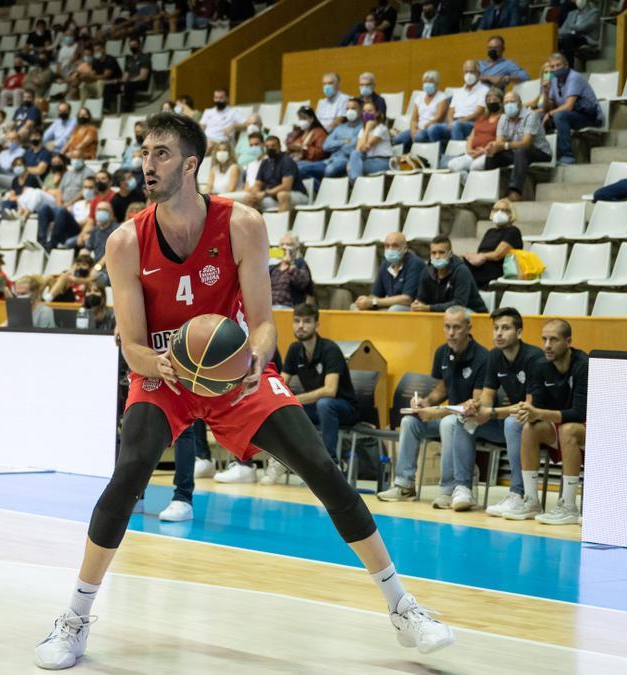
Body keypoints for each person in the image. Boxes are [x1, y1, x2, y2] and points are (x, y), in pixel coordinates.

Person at [33, 112, 453, 671]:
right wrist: (162, 364)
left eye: (160, 153)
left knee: (320, 466)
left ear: (190, 163)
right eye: (143, 152)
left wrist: (255, 357)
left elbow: (263, 323)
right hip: (165, 374)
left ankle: (403, 607)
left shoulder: (243, 224)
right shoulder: (125, 241)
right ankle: (76, 617)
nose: (146, 163)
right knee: (131, 467)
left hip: (233, 373)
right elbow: (129, 344)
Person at [378, 306, 488, 505]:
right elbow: (442, 389)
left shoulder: (482, 357)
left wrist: (436, 412)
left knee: (447, 422)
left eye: (457, 327)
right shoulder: (442, 352)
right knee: (410, 422)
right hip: (448, 416)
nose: (451, 333)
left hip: (472, 422)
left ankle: (448, 490)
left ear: (469, 327)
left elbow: (476, 403)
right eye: (447, 327)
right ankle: (404, 485)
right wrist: (425, 402)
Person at [459, 307, 544, 518]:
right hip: (510, 420)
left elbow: (528, 407)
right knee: (463, 422)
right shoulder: (495, 355)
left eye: (505, 328)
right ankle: (462, 488)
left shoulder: (534, 357)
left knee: (512, 423)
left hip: (536, 422)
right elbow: (488, 394)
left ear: (519, 332)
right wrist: (478, 407)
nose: (498, 333)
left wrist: (492, 412)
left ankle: (518, 493)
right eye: (495, 328)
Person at [505, 319, 588, 525]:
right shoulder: (540, 365)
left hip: (588, 428)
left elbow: (578, 413)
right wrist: (529, 413)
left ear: (568, 342)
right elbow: (538, 407)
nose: (547, 345)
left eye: (554, 340)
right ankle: (531, 501)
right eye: (544, 339)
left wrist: (538, 412)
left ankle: (569, 505)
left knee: (568, 429)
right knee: (529, 428)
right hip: (558, 425)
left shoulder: (583, 365)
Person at [282, 303, 358, 464]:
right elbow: (280, 384)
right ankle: (288, 460)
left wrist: (296, 399)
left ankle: (329, 462)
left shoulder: (330, 350)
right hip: (316, 407)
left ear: (316, 325)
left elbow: (330, 390)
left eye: (307, 321)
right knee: (284, 409)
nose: (301, 326)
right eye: (297, 321)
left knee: (325, 404)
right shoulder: (295, 349)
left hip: (344, 408)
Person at [483, 90, 551, 201]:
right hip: (518, 154)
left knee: (521, 150)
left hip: (540, 152)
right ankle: (488, 191)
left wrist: (502, 146)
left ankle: (515, 192)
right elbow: (499, 143)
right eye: (506, 103)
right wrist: (493, 147)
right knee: (492, 155)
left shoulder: (530, 115)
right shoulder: (503, 118)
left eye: (512, 101)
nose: (509, 105)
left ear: (519, 103)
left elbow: (526, 143)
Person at [541, 53, 603, 166]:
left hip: (589, 116)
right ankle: (544, 154)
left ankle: (567, 156)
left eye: (558, 65)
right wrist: (545, 93)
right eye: (552, 66)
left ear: (566, 65)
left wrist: (550, 114)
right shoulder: (554, 80)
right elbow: (547, 108)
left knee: (559, 116)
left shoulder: (574, 77)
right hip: (571, 116)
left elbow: (568, 106)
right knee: (538, 117)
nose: (555, 69)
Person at [413, 235, 488, 313]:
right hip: (443, 316)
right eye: (433, 253)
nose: (437, 256)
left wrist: (430, 308)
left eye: (441, 252)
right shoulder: (427, 271)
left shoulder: (461, 271)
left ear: (450, 254)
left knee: (455, 314)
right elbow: (421, 298)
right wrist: (418, 304)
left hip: (474, 316)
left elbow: (459, 304)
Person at [355, 232, 424, 312]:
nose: (390, 249)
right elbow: (376, 295)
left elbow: (407, 299)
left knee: (395, 309)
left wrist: (372, 302)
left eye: (395, 246)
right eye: (387, 246)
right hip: (390, 306)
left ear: (405, 248)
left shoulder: (415, 264)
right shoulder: (385, 265)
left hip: (413, 308)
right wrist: (365, 300)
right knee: (356, 308)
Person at [303, 98, 364, 186]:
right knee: (299, 168)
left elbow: (350, 148)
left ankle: (322, 190)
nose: (349, 111)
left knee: (330, 170)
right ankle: (318, 189)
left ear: (361, 110)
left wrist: (336, 145)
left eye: (353, 108)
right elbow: (326, 146)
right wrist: (343, 142)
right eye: (347, 109)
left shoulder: (363, 128)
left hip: (344, 161)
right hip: (329, 160)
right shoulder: (340, 127)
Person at [445, 87, 503, 177]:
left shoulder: (503, 119)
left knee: (475, 166)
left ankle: (473, 184)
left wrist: (484, 151)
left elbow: (500, 141)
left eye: (494, 100)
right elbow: (471, 137)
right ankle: (468, 183)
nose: (491, 102)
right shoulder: (481, 118)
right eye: (489, 100)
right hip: (473, 153)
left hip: (489, 154)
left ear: (501, 102)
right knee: (452, 165)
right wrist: (469, 150)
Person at [465, 198, 522, 289]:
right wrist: (469, 256)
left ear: (511, 214)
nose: (499, 213)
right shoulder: (490, 231)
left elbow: (497, 255)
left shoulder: (513, 231)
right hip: (482, 265)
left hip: (497, 269)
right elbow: (480, 252)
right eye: (495, 210)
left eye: (503, 210)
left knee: (462, 270)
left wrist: (481, 256)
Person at [242, 136, 308, 212]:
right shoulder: (265, 163)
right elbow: (257, 184)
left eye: (273, 146)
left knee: (282, 195)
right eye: (267, 146)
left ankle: (281, 223)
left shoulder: (286, 161)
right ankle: (256, 224)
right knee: (248, 199)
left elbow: (286, 187)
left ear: (279, 147)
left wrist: (264, 194)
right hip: (273, 196)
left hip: (296, 194)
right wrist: (254, 195)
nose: (270, 148)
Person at [431, 61, 489, 144]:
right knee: (433, 129)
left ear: (478, 74)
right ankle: (440, 154)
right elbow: (451, 111)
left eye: (472, 72)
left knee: (456, 126)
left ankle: (457, 154)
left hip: (472, 123)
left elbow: (479, 112)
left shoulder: (484, 90)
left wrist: (461, 120)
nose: (468, 74)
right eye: (466, 72)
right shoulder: (458, 92)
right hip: (455, 122)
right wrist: (450, 122)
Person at [394, 71, 447, 153]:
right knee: (398, 139)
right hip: (418, 128)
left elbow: (439, 118)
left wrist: (424, 127)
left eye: (430, 82)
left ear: (436, 84)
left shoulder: (442, 97)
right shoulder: (419, 98)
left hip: (431, 129)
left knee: (419, 137)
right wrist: (413, 130)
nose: (427, 84)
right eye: (425, 82)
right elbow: (414, 119)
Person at [348, 101, 393, 183]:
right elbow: (358, 150)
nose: (366, 113)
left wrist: (368, 128)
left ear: (376, 113)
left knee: (353, 168)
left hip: (383, 161)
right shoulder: (362, 130)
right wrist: (366, 130)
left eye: (370, 111)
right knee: (354, 156)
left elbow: (365, 148)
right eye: (364, 111)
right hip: (369, 160)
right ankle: (357, 183)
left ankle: (356, 185)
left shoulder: (381, 128)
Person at [270, 233, 313, 309]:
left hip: (289, 308)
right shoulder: (273, 267)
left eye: (288, 244)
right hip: (269, 307)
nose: (284, 247)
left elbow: (304, 284)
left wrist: (290, 264)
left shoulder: (299, 263)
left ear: (296, 248)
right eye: (282, 244)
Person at [557, 0, 601, 67]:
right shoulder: (571, 13)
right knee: (555, 39)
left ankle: (570, 67)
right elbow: (563, 29)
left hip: (585, 38)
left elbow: (584, 27)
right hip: (571, 37)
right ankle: (551, 68)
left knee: (567, 38)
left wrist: (570, 27)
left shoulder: (594, 12)